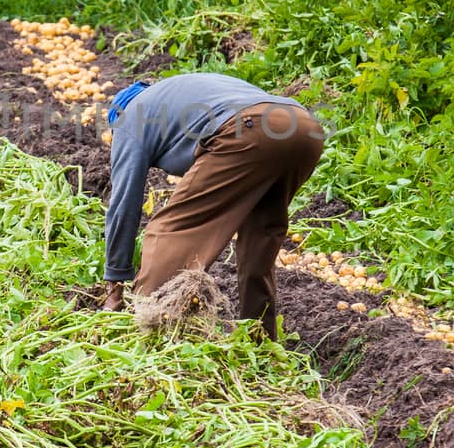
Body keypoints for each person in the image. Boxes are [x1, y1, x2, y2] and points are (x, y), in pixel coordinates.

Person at [101, 73, 324, 339]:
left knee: (171, 229)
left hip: (248, 128)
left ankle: (147, 329)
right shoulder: (181, 96)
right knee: (260, 238)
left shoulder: (129, 119)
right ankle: (259, 341)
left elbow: (123, 204)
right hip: (302, 128)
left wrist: (115, 283)